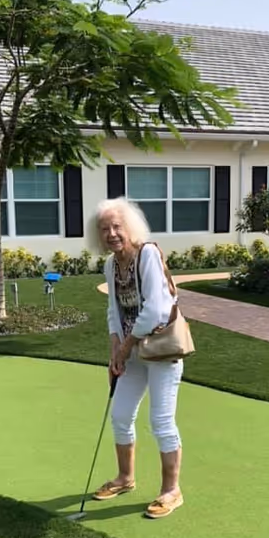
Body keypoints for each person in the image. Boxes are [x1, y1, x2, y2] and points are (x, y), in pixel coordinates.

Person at [90, 196, 184, 519]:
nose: (112, 233)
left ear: (128, 227)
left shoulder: (147, 255)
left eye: (117, 226)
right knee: (120, 415)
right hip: (131, 351)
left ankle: (172, 491)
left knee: (161, 421)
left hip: (161, 350)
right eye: (105, 229)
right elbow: (114, 312)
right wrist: (115, 349)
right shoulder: (110, 265)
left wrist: (127, 344)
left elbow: (155, 310)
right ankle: (125, 477)